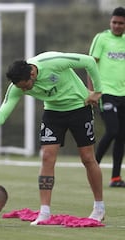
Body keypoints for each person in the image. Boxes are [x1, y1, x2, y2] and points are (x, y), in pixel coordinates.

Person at [0, 52, 105, 225]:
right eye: (21, 87)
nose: (24, 90)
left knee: (87, 158)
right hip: (53, 114)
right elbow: (3, 114)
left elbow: (88, 61)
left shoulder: (52, 62)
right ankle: (44, 212)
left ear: (32, 74)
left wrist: (98, 91)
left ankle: (99, 207)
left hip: (79, 107)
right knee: (47, 157)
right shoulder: (18, 86)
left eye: (26, 86)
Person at [87, 7, 125, 187]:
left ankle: (116, 178)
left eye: (121, 23)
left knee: (122, 135)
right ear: (110, 22)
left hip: (123, 94)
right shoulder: (101, 38)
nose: (117, 26)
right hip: (106, 92)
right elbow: (90, 64)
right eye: (114, 22)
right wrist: (91, 91)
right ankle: (93, 167)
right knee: (112, 130)